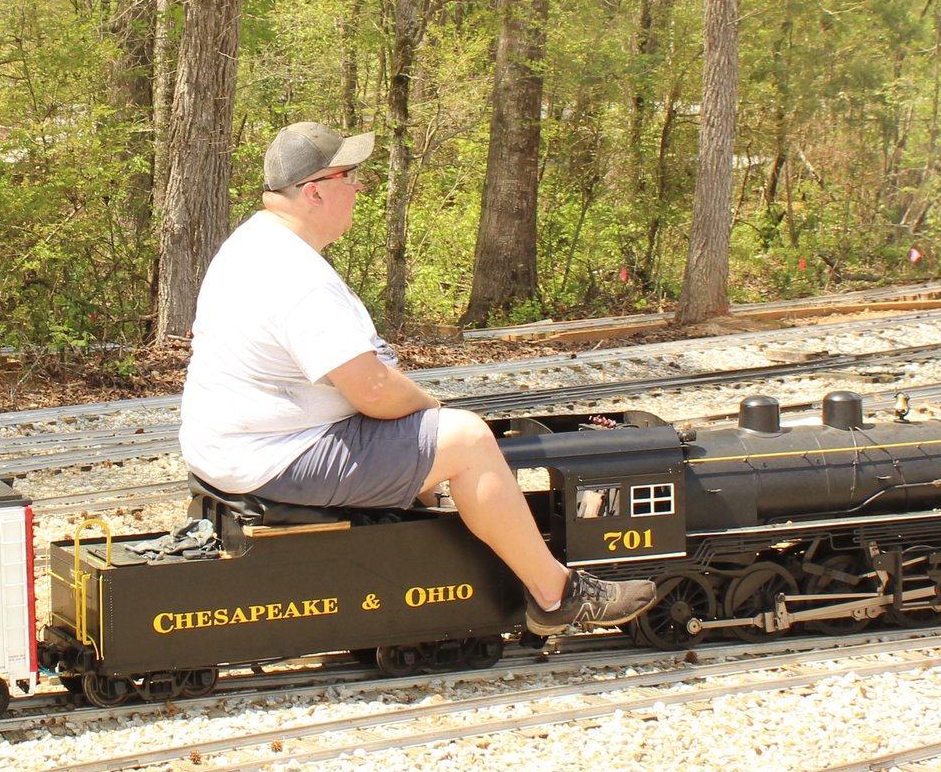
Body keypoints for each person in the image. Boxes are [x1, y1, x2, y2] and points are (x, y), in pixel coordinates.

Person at [179, 121, 657, 636]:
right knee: (467, 438)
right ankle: (555, 596)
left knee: (427, 434)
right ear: (314, 191)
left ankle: (446, 521)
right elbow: (373, 391)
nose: (359, 187)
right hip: (274, 454)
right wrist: (431, 408)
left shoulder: (252, 242)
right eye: (349, 176)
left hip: (237, 445)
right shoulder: (297, 277)